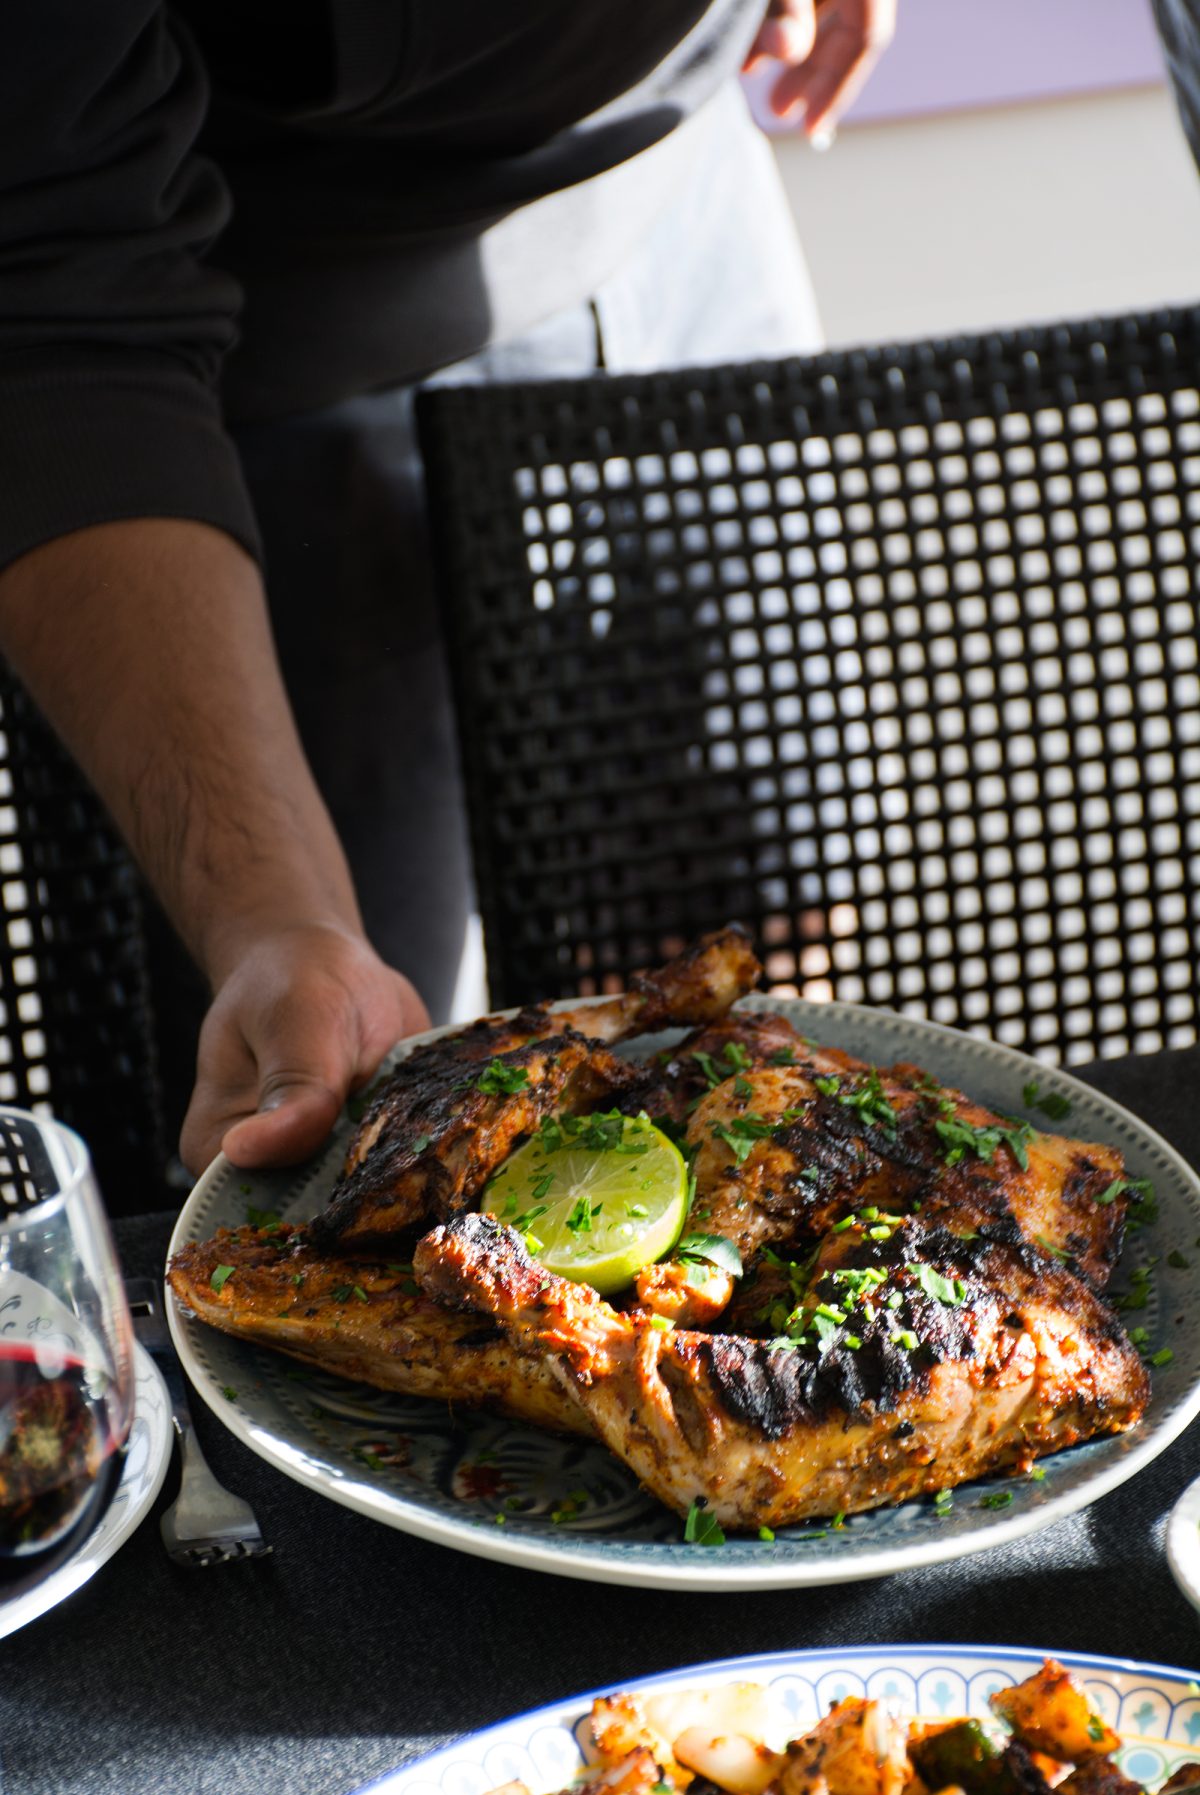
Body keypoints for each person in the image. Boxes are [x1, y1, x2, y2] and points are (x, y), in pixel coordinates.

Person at [0, 0, 895, 1180]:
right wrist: (279, 915)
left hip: (689, 178)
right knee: (353, 1111)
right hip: (266, 344)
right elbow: (50, 307)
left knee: (762, 1026)